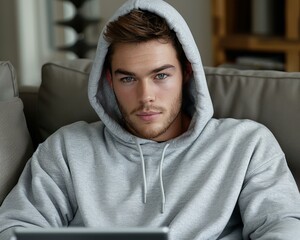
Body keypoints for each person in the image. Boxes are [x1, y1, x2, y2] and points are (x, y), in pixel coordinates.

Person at [1, 0, 300, 239]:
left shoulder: (246, 144)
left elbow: (284, 226)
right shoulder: (67, 149)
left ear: (186, 72)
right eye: (128, 78)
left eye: (160, 76)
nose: (146, 96)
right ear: (109, 81)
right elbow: (14, 228)